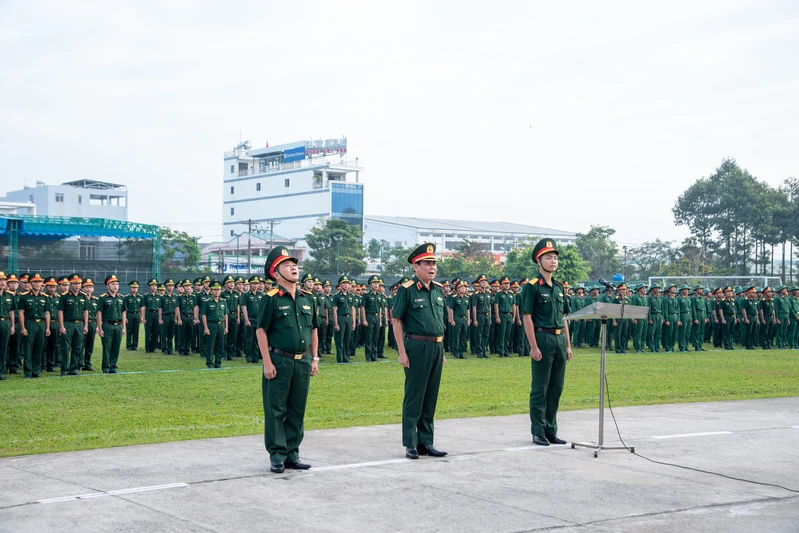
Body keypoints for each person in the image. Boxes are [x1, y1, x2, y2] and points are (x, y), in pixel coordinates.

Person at [256, 246, 320, 473]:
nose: (293, 268)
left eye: (294, 264)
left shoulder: (307, 299)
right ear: (276, 274)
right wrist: (267, 362)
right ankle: (277, 455)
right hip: (279, 360)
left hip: (302, 361)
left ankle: (292, 453)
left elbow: (314, 329)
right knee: (276, 408)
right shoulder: (271, 299)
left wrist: (315, 358)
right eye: (286, 265)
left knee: (297, 408)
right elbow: (261, 331)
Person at [391, 243, 448, 459]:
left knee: (430, 396)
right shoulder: (407, 290)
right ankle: (411, 443)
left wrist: (442, 350)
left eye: (434, 263)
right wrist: (401, 352)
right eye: (427, 263)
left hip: (436, 346)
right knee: (415, 395)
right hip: (416, 346)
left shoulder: (438, 290)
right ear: (416, 266)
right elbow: (396, 320)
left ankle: (426, 442)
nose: (432, 267)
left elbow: (439, 321)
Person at [521, 239, 572, 446]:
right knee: (540, 388)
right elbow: (527, 317)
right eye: (549, 257)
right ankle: (538, 431)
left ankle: (551, 430)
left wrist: (568, 345)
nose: (553, 261)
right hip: (542, 338)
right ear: (539, 260)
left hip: (559, 338)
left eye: (555, 258)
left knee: (556, 387)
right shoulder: (532, 287)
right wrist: (533, 346)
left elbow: (564, 318)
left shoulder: (559, 287)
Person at [18, 273, 50, 378]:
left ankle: (36, 371)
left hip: (41, 324)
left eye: (39, 282)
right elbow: (21, 312)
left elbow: (47, 313)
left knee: (39, 347)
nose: (37, 284)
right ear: (30, 283)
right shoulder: (24, 297)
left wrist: (47, 327)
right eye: (35, 282)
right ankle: (28, 371)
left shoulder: (45, 298)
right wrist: (23, 327)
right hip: (30, 323)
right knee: (28, 348)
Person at [57, 273, 88, 376]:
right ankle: (64, 369)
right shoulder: (64, 297)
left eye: (79, 283)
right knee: (65, 347)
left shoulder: (83, 296)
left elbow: (85, 311)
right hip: (68, 324)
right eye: (75, 283)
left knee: (77, 347)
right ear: (70, 284)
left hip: (79, 324)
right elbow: (60, 312)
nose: (77, 286)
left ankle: (73, 368)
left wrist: (86, 325)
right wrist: (61, 326)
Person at [98, 274, 126, 374]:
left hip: (118, 325)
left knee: (116, 347)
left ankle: (113, 366)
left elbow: (123, 312)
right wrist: (100, 328)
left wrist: (123, 327)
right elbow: (99, 313)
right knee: (106, 347)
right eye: (113, 284)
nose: (115, 286)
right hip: (107, 325)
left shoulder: (121, 298)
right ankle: (106, 367)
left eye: (117, 284)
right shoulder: (103, 298)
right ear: (108, 285)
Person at [201, 280, 228, 369]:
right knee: (210, 345)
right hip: (211, 325)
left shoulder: (223, 301)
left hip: (221, 325)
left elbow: (225, 314)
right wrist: (206, 328)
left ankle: (218, 362)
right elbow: (204, 315)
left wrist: (226, 327)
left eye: (218, 290)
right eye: (215, 290)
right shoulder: (207, 301)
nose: (217, 291)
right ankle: (209, 362)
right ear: (211, 290)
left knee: (220, 345)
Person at [332, 275, 355, 364]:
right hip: (340, 317)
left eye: (347, 283)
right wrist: (336, 323)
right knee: (340, 339)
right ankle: (340, 358)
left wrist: (354, 322)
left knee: (347, 339)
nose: (346, 285)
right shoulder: (337, 296)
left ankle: (346, 357)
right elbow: (334, 310)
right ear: (340, 285)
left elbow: (353, 309)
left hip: (349, 318)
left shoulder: (351, 296)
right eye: (344, 283)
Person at [362, 275, 383, 362]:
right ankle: (368, 356)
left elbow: (380, 308)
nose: (376, 285)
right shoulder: (366, 295)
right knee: (369, 337)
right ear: (370, 285)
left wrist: (380, 320)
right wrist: (364, 319)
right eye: (374, 283)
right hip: (369, 316)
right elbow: (363, 307)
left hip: (377, 317)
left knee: (375, 337)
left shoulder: (379, 295)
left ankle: (374, 355)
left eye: (377, 283)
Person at [0, 271, 15, 380]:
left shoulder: (9, 296)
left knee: (3, 348)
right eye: (0, 280)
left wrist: (12, 325)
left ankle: (1, 371)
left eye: (4, 280)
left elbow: (11, 312)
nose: (2, 282)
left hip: (5, 322)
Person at [82, 278, 99, 370]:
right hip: (82, 324)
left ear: (93, 288)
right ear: (83, 288)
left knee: (90, 345)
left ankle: (87, 363)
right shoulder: (80, 299)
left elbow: (97, 314)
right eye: (86, 287)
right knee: (80, 344)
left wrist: (98, 326)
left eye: (90, 287)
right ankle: (79, 363)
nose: (88, 289)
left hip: (92, 323)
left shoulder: (95, 300)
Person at [160, 279, 179, 355]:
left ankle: (170, 349)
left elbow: (176, 308)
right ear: (166, 287)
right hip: (165, 316)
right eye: (169, 286)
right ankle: (164, 349)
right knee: (164, 333)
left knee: (171, 334)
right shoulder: (163, 297)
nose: (170, 287)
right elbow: (160, 308)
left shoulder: (175, 297)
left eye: (172, 286)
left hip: (172, 316)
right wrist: (160, 319)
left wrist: (176, 318)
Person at [124, 281, 143, 351]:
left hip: (137, 314)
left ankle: (135, 345)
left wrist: (141, 316)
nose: (134, 289)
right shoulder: (127, 297)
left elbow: (141, 308)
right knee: (129, 331)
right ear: (130, 288)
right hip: (129, 314)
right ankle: (128, 345)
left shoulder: (140, 297)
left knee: (136, 331)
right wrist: (125, 317)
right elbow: (125, 309)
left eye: (136, 288)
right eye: (133, 287)